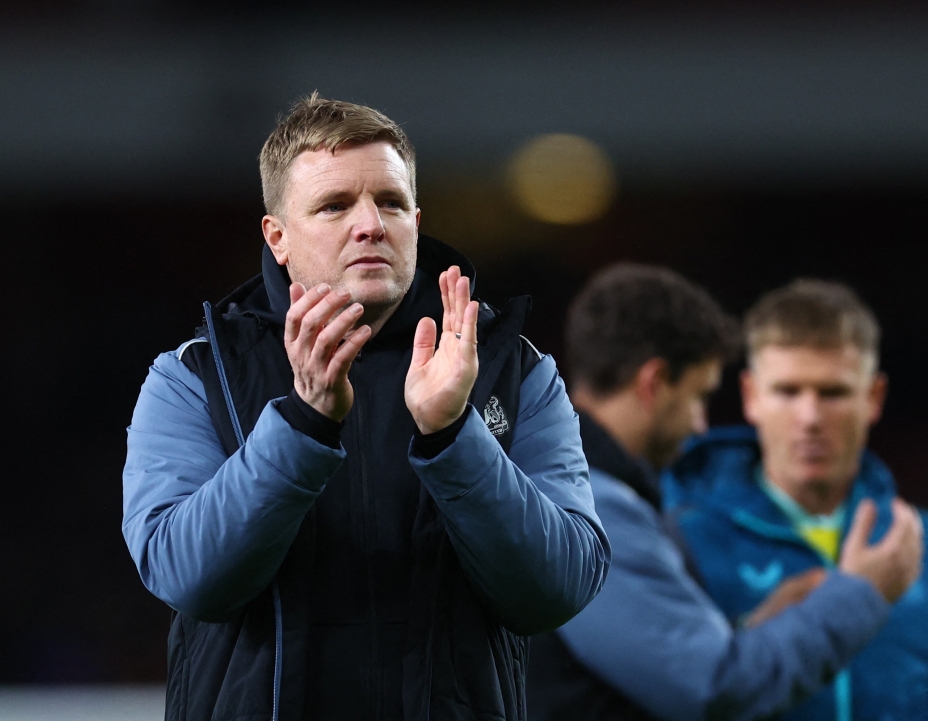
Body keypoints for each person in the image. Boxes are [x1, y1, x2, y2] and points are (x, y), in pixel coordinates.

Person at [121, 93, 610, 721]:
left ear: (415, 217)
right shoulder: (196, 374)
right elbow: (185, 575)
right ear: (278, 238)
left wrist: (452, 436)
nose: (371, 224)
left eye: (391, 202)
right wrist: (302, 423)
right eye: (334, 205)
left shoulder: (514, 368)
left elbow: (559, 590)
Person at [527, 265, 922, 721]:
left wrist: (746, 631)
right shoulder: (599, 514)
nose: (701, 424)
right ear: (654, 384)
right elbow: (714, 688)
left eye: (833, 392)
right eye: (699, 396)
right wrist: (861, 596)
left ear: (872, 397)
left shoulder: (586, 499)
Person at [664, 279, 927, 721]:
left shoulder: (917, 542)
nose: (809, 418)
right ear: (751, 397)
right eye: (788, 391)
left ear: (873, 398)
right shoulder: (682, 542)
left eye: (833, 393)